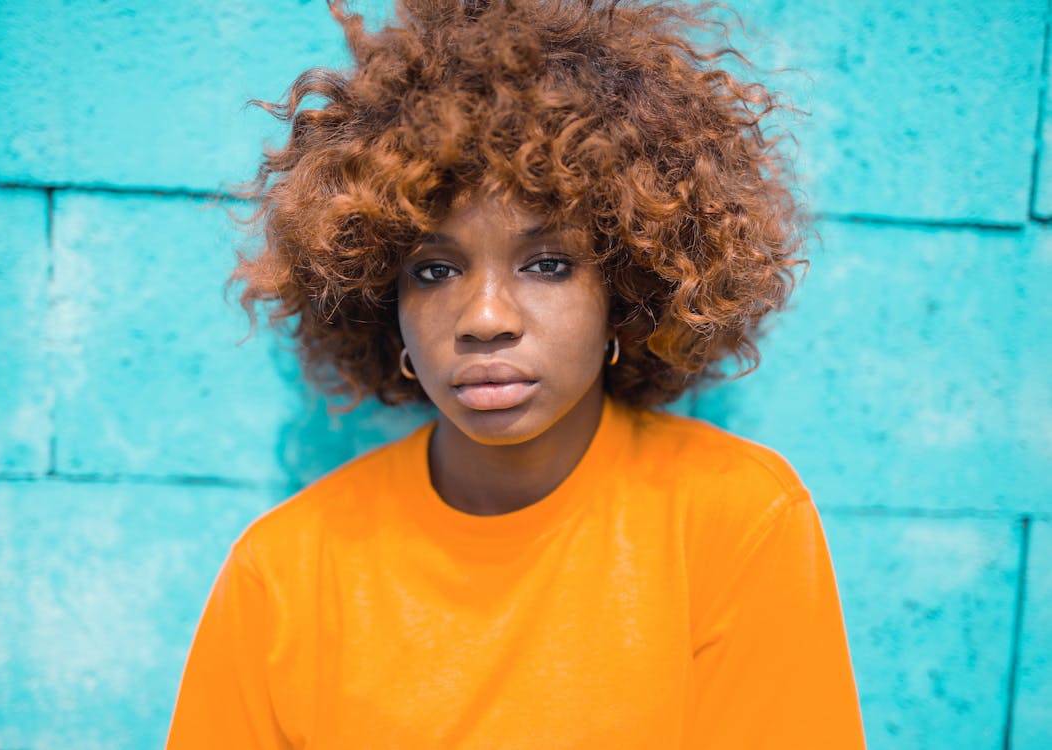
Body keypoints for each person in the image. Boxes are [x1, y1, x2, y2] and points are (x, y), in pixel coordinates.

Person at [167, 0, 866, 746]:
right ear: (382, 301)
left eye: (548, 264)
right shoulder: (282, 572)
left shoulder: (735, 521)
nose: (486, 317)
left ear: (625, 287)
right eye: (434, 270)